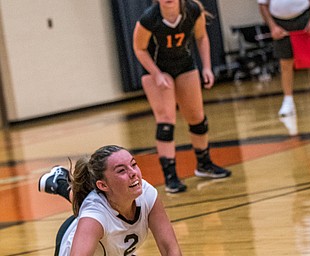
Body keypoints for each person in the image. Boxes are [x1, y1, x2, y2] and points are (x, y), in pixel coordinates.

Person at [132, 0, 231, 194]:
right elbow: (139, 48)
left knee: (197, 117)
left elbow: (201, 37)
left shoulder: (193, 10)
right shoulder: (149, 19)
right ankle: (171, 177)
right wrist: (157, 74)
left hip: (184, 65)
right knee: (166, 120)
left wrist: (208, 67)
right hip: (156, 69)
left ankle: (204, 165)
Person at [38, 145, 182, 256]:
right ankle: (60, 184)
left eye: (133, 164)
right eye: (121, 170)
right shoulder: (94, 216)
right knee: (94, 204)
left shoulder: (147, 193)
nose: (133, 173)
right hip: (72, 242)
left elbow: (170, 249)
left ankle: (59, 183)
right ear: (103, 184)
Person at [257, 0, 310, 117]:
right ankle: (288, 100)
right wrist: (273, 27)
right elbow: (262, 6)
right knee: (285, 63)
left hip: (304, 17)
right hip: (279, 22)